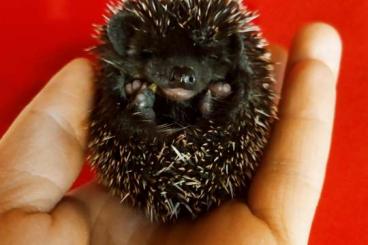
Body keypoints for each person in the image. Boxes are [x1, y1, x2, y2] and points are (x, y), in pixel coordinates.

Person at [0, 22, 341, 245]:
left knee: (224, 119)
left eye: (199, 60)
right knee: (130, 124)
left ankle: (166, 114)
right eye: (156, 55)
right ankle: (169, 115)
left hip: (203, 145)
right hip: (147, 154)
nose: (182, 75)